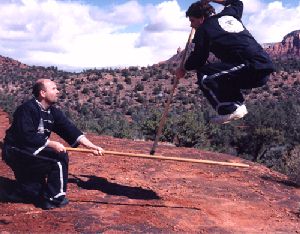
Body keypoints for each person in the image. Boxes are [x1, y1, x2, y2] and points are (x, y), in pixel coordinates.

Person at [2, 79, 104, 210]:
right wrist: (50, 144)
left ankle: (18, 190)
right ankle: (53, 198)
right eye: (54, 89)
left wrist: (91, 146)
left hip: (32, 151)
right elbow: (26, 136)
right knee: (58, 159)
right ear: (43, 93)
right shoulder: (26, 109)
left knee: (32, 192)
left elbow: (70, 129)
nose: (58, 92)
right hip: (16, 152)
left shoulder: (52, 112)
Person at [176, 0, 275, 124]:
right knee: (221, 76)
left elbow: (198, 59)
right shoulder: (229, 14)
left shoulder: (204, 29)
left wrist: (183, 69)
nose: (191, 26)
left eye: (192, 21)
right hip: (261, 69)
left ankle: (231, 109)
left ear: (201, 18)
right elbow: (237, 3)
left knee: (205, 75)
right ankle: (235, 105)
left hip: (250, 66)